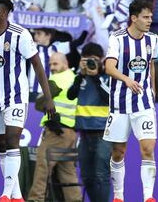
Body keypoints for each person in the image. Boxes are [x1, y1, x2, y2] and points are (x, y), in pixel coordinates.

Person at [0, 0, 55, 202]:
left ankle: (5, 193)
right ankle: (16, 196)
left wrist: (47, 96)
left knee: (13, 138)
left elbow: (37, 65)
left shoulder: (20, 34)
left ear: (4, 12)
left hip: (16, 96)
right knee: (2, 146)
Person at [103, 0, 158, 202]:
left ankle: (148, 197)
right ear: (133, 18)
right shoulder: (117, 38)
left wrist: (153, 90)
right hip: (119, 103)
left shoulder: (153, 40)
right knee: (118, 152)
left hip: (144, 103)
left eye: (151, 17)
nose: (149, 20)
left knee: (148, 148)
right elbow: (108, 67)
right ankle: (118, 196)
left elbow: (151, 66)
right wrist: (126, 79)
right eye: (145, 17)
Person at [28, 52, 81, 202]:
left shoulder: (57, 79)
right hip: (70, 133)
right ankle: (75, 200)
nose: (52, 67)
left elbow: (40, 102)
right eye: (50, 64)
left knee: (42, 168)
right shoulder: (74, 79)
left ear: (65, 64)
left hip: (56, 132)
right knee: (67, 171)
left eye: (55, 64)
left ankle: (35, 199)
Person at [67, 43, 111, 202]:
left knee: (102, 177)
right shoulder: (80, 78)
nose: (92, 63)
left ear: (102, 60)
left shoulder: (108, 77)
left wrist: (96, 77)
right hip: (84, 135)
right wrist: (81, 75)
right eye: (87, 59)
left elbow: (109, 99)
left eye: (94, 60)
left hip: (103, 135)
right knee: (87, 178)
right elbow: (70, 95)